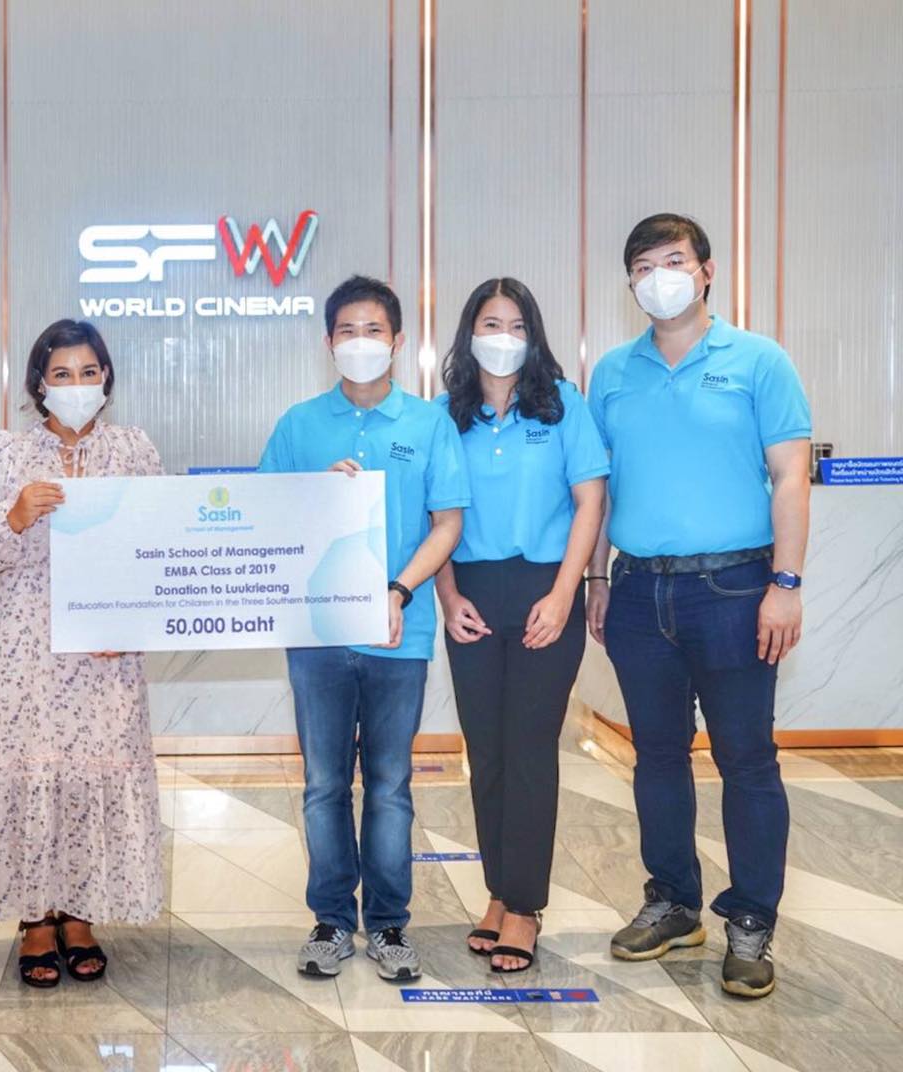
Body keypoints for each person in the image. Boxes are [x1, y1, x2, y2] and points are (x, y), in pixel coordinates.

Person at [586, 213, 811, 999]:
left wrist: (787, 584)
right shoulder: (612, 373)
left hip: (736, 589)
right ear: (630, 284)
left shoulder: (758, 360)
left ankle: (751, 922)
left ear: (707, 271)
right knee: (655, 756)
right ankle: (675, 903)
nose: (660, 278)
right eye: (644, 266)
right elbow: (598, 488)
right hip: (638, 591)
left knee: (746, 759)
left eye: (674, 261)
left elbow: (790, 475)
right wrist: (597, 580)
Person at [258, 275, 469, 983]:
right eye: (346, 331)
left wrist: (399, 590)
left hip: (395, 633)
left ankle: (387, 924)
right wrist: (316, 493)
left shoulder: (429, 425)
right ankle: (329, 920)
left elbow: (447, 524)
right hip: (318, 636)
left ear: (398, 340)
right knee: (323, 785)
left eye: (373, 330)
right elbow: (264, 519)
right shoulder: (298, 426)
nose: (360, 342)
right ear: (328, 342)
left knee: (389, 784)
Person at [0, 318, 164, 989]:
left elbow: (160, 547)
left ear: (107, 379)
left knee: (89, 778)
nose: (76, 385)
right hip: (28, 651)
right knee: (34, 777)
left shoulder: (133, 450)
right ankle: (35, 919)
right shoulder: (9, 453)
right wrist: (13, 517)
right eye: (62, 374)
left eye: (88, 373)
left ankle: (79, 913)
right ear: (39, 384)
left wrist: (133, 622)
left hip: (105, 654)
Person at [433, 278, 608, 973]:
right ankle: (498, 893)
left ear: (532, 335)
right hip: (471, 594)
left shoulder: (563, 407)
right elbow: (434, 514)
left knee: (530, 749)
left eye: (515, 325)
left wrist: (566, 594)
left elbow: (590, 502)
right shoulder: (445, 415)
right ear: (467, 333)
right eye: (489, 323)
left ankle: (525, 907)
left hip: (545, 591)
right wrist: (448, 596)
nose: (502, 337)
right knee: (487, 752)